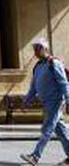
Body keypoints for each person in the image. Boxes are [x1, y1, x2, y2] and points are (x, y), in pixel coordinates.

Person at [20, 38, 69, 166]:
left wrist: (68, 100)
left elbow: (64, 84)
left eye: (37, 48)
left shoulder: (54, 63)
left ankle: (35, 156)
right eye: (34, 49)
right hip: (46, 103)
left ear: (45, 49)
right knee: (62, 132)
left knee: (47, 129)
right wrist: (26, 101)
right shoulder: (38, 66)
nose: (35, 52)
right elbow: (34, 87)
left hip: (56, 102)